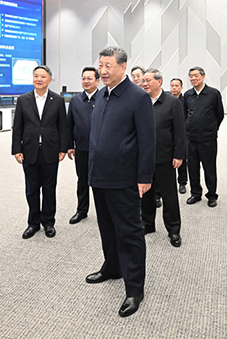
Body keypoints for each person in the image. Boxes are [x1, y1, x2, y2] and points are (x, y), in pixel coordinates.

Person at [85, 46, 155, 317]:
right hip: (99, 175)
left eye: (108, 66)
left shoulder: (138, 97)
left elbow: (147, 140)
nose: (102, 71)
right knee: (106, 227)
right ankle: (112, 267)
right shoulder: (102, 94)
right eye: (100, 65)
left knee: (130, 233)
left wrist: (144, 177)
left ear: (123, 67)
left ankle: (135, 289)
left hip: (124, 178)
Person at [12, 65, 69, 239]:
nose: (39, 79)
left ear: (49, 80)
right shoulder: (23, 100)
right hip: (29, 151)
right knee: (32, 189)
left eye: (43, 76)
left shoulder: (58, 100)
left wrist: (63, 148)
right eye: (36, 76)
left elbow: (63, 127)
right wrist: (16, 149)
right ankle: (33, 223)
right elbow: (17, 127)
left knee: (49, 189)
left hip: (51, 151)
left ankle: (48, 222)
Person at [140, 69, 186, 247]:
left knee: (169, 195)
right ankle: (147, 224)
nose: (144, 84)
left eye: (148, 80)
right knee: (146, 194)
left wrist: (179, 155)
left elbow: (180, 131)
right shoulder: (141, 101)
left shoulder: (172, 102)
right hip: (145, 158)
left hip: (165, 157)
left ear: (159, 82)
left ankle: (174, 229)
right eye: (143, 81)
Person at [183, 66, 224, 207]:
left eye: (196, 75)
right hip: (191, 139)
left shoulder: (213, 93)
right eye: (191, 76)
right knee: (192, 168)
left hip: (208, 139)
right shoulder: (187, 95)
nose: (193, 78)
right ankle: (195, 193)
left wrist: (212, 129)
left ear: (203, 76)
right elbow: (184, 114)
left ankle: (212, 195)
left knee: (209, 168)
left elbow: (219, 114)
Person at [66, 67, 100, 225]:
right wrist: (70, 145)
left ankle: (104, 212)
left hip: (101, 150)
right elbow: (69, 125)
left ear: (97, 81)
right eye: (83, 78)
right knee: (82, 181)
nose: (86, 81)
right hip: (81, 148)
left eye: (89, 78)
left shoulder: (105, 98)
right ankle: (81, 210)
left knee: (101, 182)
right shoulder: (75, 100)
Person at [170, 78, 188, 194]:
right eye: (172, 86)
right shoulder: (167, 100)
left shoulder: (185, 100)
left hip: (182, 133)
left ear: (181, 88)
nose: (174, 88)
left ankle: (182, 182)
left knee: (182, 159)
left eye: (176, 86)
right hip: (169, 133)